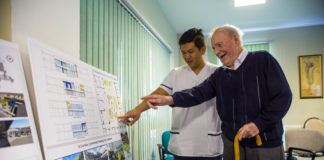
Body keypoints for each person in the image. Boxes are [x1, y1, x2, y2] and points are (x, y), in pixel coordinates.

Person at [142, 24, 292, 160]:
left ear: (236, 40)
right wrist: (169, 99)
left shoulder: (262, 59)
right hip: (233, 145)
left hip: (264, 143)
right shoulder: (221, 74)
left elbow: (283, 97)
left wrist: (258, 124)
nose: (217, 51)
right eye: (214, 48)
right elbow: (197, 93)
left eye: (219, 45)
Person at [119, 28, 223, 160]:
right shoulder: (176, 74)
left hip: (209, 146)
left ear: (202, 49)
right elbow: (157, 96)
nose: (187, 57)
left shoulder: (218, 72)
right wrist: (137, 109)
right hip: (183, 146)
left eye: (190, 51)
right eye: (183, 53)